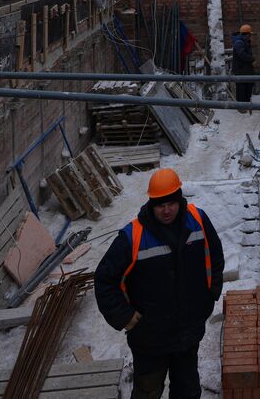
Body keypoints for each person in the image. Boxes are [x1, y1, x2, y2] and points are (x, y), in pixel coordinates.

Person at [94, 168, 225, 399]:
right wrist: (124, 316)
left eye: (171, 203)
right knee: (148, 392)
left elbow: (214, 256)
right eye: (160, 205)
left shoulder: (198, 221)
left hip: (188, 333)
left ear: (179, 199)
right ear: (151, 204)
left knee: (187, 391)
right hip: (150, 339)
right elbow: (105, 279)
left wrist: (210, 294)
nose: (166, 210)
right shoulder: (132, 236)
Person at [230, 23, 255, 108]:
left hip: (244, 69)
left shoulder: (243, 41)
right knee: (242, 89)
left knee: (247, 87)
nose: (250, 36)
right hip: (241, 70)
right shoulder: (239, 42)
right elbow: (242, 54)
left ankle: (246, 105)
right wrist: (252, 59)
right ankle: (242, 107)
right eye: (250, 35)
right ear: (247, 34)